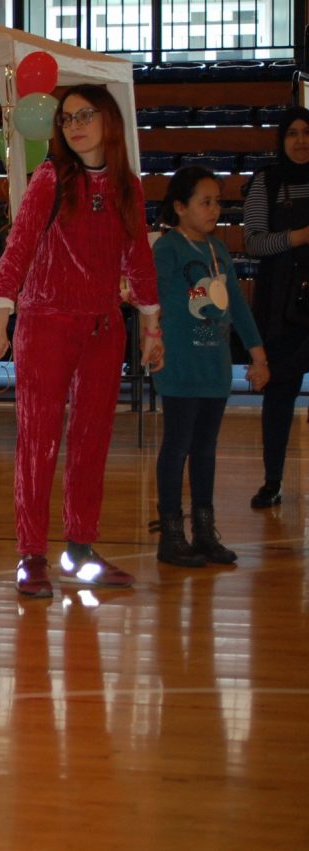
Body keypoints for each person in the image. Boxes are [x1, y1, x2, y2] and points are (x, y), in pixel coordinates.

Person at [0, 84, 163, 597]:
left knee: (91, 445)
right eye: (66, 118)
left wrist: (151, 327)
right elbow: (19, 246)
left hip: (103, 331)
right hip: (45, 326)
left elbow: (138, 261)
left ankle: (79, 548)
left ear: (109, 119)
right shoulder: (50, 178)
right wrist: (0, 315)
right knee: (38, 443)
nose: (75, 125)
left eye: (85, 115)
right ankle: (31, 554)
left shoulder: (128, 184)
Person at [150, 166, 269, 566]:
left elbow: (236, 305)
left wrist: (257, 354)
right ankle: (170, 533)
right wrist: (151, 341)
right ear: (180, 207)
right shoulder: (167, 249)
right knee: (177, 445)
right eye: (206, 201)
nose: (214, 208)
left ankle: (203, 532)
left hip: (214, 367)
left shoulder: (218, 251)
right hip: (181, 365)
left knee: (205, 450)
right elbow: (151, 302)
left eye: (217, 201)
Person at [242, 107, 309, 509]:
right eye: (293, 134)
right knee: (279, 396)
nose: (301, 141)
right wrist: (299, 236)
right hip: (282, 307)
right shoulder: (265, 182)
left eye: (307, 132)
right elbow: (253, 242)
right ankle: (272, 481)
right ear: (281, 140)